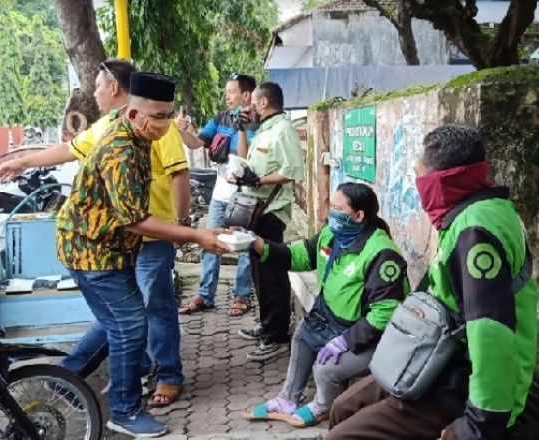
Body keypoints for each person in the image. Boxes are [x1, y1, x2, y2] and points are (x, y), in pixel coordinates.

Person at [0, 72, 227, 437]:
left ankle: (70, 379)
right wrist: (196, 235)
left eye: (169, 115)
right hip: (91, 251)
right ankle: (123, 409)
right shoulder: (121, 150)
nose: (166, 124)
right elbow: (135, 220)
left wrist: (190, 231)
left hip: (107, 248)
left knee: (119, 323)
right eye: (159, 116)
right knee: (130, 325)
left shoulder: (141, 138)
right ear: (134, 115)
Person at [328, 125, 538, 440]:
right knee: (343, 407)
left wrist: (480, 423)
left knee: (342, 436)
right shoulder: (478, 210)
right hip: (436, 355)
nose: (416, 184)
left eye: (418, 174)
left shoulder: (475, 231)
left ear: (439, 179)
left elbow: (491, 333)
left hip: (462, 378)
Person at [241, 182, 408, 426]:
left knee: (326, 368)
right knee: (301, 338)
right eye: (331, 206)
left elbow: (384, 313)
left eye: (337, 208)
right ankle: (287, 399)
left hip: (370, 336)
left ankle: (324, 406)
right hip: (330, 319)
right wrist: (258, 244)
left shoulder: (382, 254)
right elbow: (300, 256)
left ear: (359, 215)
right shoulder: (332, 233)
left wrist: (346, 341)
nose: (331, 214)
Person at [230, 82, 305, 361]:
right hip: (256, 210)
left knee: (272, 273)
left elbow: (292, 170)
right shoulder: (264, 130)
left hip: (271, 211)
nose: (250, 109)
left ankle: (277, 335)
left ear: (262, 103)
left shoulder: (283, 129)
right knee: (260, 274)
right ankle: (267, 324)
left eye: (253, 104)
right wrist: (240, 129)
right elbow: (243, 161)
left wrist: (257, 180)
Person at [177, 73, 258, 317]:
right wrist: (182, 131)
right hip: (220, 195)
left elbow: (246, 157)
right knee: (208, 243)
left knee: (245, 246)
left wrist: (243, 128)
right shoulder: (220, 119)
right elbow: (195, 143)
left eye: (231, 91)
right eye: (226, 91)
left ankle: (242, 295)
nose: (227, 95)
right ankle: (204, 295)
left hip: (247, 197)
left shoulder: (258, 122)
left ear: (246, 95)